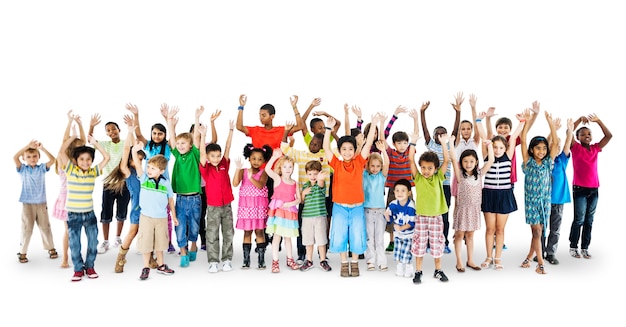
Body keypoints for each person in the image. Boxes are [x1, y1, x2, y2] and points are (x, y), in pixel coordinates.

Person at [323, 114, 379, 277]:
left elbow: (368, 144)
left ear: (355, 150)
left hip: (356, 207)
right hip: (340, 207)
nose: (347, 152)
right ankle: (343, 263)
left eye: (350, 149)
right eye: (344, 149)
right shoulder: (336, 164)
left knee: (357, 234)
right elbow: (326, 148)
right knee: (339, 234)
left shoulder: (359, 162)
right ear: (340, 151)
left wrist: (374, 124)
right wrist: (328, 129)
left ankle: (354, 263)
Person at [485, 103, 539, 250]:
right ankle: (494, 238)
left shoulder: (510, 142)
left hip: (508, 181)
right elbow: (488, 134)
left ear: (509, 129)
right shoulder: (494, 143)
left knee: (502, 211)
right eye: (500, 127)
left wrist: (533, 116)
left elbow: (524, 131)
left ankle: (499, 238)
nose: (503, 130)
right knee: (491, 212)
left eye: (506, 127)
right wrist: (488, 119)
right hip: (490, 183)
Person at [57, 131, 110, 282]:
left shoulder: (93, 172)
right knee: (74, 244)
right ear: (75, 160)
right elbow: (61, 152)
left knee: (93, 242)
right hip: (73, 214)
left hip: (89, 214)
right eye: (82, 159)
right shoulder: (70, 170)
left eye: (88, 159)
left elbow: (107, 158)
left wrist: (96, 144)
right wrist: (72, 138)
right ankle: (78, 269)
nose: (85, 162)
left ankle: (90, 266)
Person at [281, 123, 332, 264]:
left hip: (322, 197)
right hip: (306, 198)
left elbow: (338, 150)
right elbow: (285, 148)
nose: (312, 146)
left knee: (322, 226)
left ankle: (323, 255)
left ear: (321, 146)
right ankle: (302, 254)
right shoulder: (302, 155)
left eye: (316, 145)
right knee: (302, 225)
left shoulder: (326, 155)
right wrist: (286, 132)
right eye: (311, 143)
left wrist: (330, 132)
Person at [480, 112, 526, 270]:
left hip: (504, 194)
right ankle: (488, 257)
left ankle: (498, 258)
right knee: (490, 229)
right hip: (489, 194)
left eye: (500, 147)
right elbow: (484, 135)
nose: (497, 150)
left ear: (505, 148)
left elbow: (513, 138)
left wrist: (522, 122)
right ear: (490, 147)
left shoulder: (508, 155)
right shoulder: (487, 156)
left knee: (500, 229)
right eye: (494, 147)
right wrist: (480, 120)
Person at [450, 112, 493, 273]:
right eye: (465, 161)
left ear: (476, 163)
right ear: (462, 163)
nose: (468, 164)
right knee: (460, 235)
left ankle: (470, 260)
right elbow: (453, 159)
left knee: (470, 236)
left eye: (471, 161)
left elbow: (491, 160)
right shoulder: (460, 176)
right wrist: (449, 143)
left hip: (474, 210)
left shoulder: (480, 174)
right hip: (462, 210)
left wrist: (488, 143)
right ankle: (459, 261)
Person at [131, 103, 177, 253]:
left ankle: (167, 241)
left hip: (163, 185)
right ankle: (146, 243)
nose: (157, 136)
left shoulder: (168, 147)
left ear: (164, 135)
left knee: (165, 214)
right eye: (154, 133)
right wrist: (136, 115)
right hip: (147, 184)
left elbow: (173, 137)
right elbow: (138, 135)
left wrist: (168, 119)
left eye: (160, 134)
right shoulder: (149, 145)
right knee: (146, 213)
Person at [419, 94, 462, 254]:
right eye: (438, 133)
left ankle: (443, 242)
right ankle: (429, 242)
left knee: (444, 215)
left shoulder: (450, 144)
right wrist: (422, 112)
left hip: (444, 186)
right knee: (430, 214)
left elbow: (456, 130)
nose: (440, 135)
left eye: (443, 133)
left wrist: (458, 112)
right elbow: (424, 129)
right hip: (429, 185)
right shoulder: (430, 144)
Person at [519, 106, 559, 274]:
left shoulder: (549, 162)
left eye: (544, 148)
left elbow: (555, 143)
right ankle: (540, 263)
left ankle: (528, 257)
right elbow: (523, 139)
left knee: (538, 232)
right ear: (532, 150)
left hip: (545, 202)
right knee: (537, 231)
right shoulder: (528, 163)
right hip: (531, 202)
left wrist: (550, 123)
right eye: (538, 148)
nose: (541, 151)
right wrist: (527, 122)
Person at [409, 133, 452, 284]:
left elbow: (447, 160)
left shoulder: (439, 177)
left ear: (435, 168)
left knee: (436, 243)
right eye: (423, 168)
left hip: (435, 216)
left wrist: (444, 143)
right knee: (419, 243)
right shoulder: (419, 178)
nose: (426, 171)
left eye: (429, 168)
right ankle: (418, 270)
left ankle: (438, 270)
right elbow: (410, 160)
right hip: (421, 216)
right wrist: (413, 143)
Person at [568, 113, 612, 259]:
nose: (586, 135)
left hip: (594, 190)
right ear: (578, 137)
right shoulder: (575, 148)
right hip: (579, 189)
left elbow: (609, 136)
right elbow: (569, 131)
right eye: (583, 134)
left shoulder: (595, 148)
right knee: (579, 219)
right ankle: (573, 246)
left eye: (589, 133)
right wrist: (579, 119)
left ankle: (585, 247)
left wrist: (599, 121)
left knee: (589, 220)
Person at [112, 116, 153, 273]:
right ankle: (121, 258)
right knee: (133, 232)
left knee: (149, 233)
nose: (139, 162)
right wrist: (130, 132)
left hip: (149, 208)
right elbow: (126, 150)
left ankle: (151, 259)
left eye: (141, 160)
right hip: (137, 208)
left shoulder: (144, 173)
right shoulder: (128, 173)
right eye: (137, 159)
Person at [131, 142, 178, 280]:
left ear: (162, 171)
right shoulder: (144, 178)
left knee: (160, 243)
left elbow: (170, 200)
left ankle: (161, 265)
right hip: (146, 217)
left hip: (161, 218)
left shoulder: (166, 183)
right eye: (149, 167)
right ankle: (145, 267)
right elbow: (138, 164)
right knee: (146, 243)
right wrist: (135, 150)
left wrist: (174, 216)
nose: (149, 170)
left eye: (153, 168)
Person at [166, 106, 203, 267]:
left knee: (194, 226)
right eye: (179, 144)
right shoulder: (177, 155)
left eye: (184, 143)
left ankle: (193, 245)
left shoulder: (194, 154)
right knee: (180, 226)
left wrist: (196, 117)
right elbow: (172, 139)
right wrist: (169, 122)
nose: (180, 145)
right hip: (180, 198)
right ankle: (183, 251)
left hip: (195, 198)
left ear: (190, 146)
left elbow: (195, 138)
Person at [199, 117, 236, 273]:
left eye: (218, 155)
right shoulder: (205, 169)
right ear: (208, 157)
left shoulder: (224, 165)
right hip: (213, 207)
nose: (216, 158)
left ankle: (227, 260)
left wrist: (231, 131)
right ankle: (213, 261)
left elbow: (228, 147)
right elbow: (201, 152)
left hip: (226, 205)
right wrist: (203, 135)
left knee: (228, 233)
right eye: (212, 156)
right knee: (212, 234)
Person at [89, 113, 129, 254]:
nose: (111, 131)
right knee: (106, 213)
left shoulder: (125, 143)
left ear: (119, 130)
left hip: (124, 184)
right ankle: (105, 241)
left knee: (122, 212)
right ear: (106, 133)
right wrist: (92, 125)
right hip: (108, 184)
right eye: (108, 130)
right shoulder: (105, 144)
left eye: (114, 129)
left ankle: (117, 238)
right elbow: (91, 141)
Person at [536, 117, 574, 265]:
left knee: (555, 228)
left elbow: (566, 145)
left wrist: (570, 131)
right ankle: (539, 251)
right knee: (540, 228)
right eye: (551, 145)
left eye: (556, 146)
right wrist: (553, 131)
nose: (554, 147)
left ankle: (550, 253)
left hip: (557, 200)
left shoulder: (561, 160)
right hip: (542, 200)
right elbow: (545, 143)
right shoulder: (542, 162)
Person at [52, 110, 86, 268]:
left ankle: (74, 257)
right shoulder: (64, 162)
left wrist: (79, 124)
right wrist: (70, 127)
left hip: (78, 199)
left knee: (76, 231)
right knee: (69, 231)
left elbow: (83, 142)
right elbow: (63, 144)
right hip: (67, 199)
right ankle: (65, 259)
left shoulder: (80, 162)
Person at [14, 139, 57, 264]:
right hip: (27, 203)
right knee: (27, 228)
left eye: (34, 156)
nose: (32, 159)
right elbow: (15, 157)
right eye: (28, 157)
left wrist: (42, 148)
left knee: (45, 227)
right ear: (24, 158)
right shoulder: (22, 169)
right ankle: (22, 252)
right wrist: (27, 146)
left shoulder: (42, 168)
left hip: (41, 203)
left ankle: (50, 247)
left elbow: (53, 160)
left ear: (38, 157)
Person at [383, 107, 419, 253]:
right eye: (399, 143)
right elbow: (382, 138)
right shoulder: (390, 153)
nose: (403, 146)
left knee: (410, 214)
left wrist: (416, 119)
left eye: (405, 143)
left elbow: (415, 135)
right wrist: (393, 116)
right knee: (393, 214)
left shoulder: (409, 152)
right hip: (393, 189)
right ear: (394, 144)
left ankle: (410, 238)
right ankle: (392, 241)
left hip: (408, 191)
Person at [233, 144, 273, 269]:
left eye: (260, 159)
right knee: (247, 232)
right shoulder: (244, 171)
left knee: (260, 232)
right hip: (247, 208)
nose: (256, 161)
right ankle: (246, 260)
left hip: (259, 208)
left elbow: (260, 185)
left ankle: (261, 260)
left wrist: (251, 178)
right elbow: (235, 183)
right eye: (254, 158)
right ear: (249, 158)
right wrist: (237, 169)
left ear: (264, 160)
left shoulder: (264, 172)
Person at [265, 150, 301, 272]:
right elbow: (267, 170)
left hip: (289, 212)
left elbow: (299, 199)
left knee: (288, 238)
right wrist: (274, 157)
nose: (287, 169)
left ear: (293, 168)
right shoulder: (278, 179)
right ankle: (275, 261)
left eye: (290, 166)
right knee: (277, 237)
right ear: (280, 167)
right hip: (279, 213)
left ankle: (290, 259)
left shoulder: (294, 183)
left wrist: (288, 204)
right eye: (285, 166)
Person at [190, 110, 218, 252]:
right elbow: (195, 138)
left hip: (209, 187)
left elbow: (214, 140)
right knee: (199, 216)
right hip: (197, 187)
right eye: (197, 131)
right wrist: (197, 117)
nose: (199, 133)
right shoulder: (192, 148)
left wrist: (212, 123)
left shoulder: (207, 147)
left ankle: (209, 240)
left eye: (202, 131)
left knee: (209, 214)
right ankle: (202, 240)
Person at [298, 160, 331, 272]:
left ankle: (323, 260)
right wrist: (303, 194)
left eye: (315, 174)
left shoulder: (321, 184)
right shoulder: (305, 186)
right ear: (307, 174)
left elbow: (321, 183)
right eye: (310, 174)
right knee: (308, 240)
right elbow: (302, 202)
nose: (313, 176)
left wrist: (320, 178)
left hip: (320, 217)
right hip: (307, 217)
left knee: (321, 240)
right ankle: (309, 260)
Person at [363, 141, 390, 271]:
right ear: (368, 165)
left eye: (378, 166)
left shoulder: (381, 176)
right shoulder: (364, 175)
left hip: (380, 211)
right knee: (370, 238)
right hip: (367, 210)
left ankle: (381, 260)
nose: (375, 168)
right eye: (372, 166)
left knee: (379, 238)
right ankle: (370, 260)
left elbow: (387, 163)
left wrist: (383, 151)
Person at [384, 178, 416, 278]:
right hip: (397, 234)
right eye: (397, 190)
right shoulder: (393, 204)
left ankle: (409, 267)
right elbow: (389, 218)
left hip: (408, 235)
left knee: (406, 252)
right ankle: (399, 267)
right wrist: (386, 215)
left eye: (403, 190)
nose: (400, 193)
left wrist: (402, 228)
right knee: (397, 252)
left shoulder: (411, 206)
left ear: (409, 193)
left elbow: (412, 223)